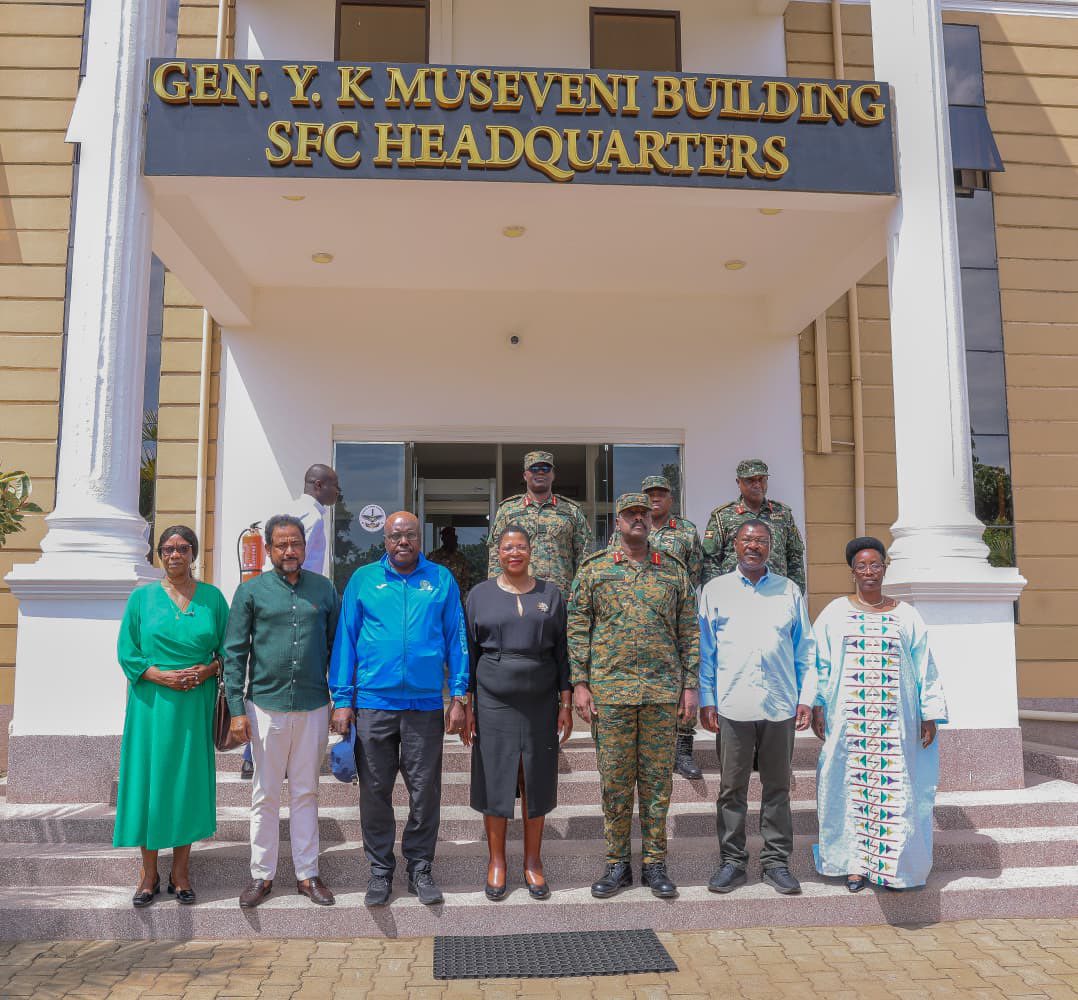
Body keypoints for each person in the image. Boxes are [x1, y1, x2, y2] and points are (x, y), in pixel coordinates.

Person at [329, 511, 469, 908]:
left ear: (420, 539)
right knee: (375, 791)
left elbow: (456, 637)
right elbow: (346, 640)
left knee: (425, 792)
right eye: (395, 536)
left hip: (424, 704)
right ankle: (380, 870)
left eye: (409, 534)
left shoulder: (441, 579)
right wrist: (343, 699)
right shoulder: (363, 579)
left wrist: (459, 695)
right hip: (374, 704)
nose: (402, 541)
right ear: (385, 541)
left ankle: (420, 867)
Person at [568, 493, 699, 900]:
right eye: (630, 515)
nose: (638, 519)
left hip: (662, 692)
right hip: (611, 693)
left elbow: (689, 630)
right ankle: (617, 864)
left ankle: (655, 863)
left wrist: (690, 685)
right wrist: (580, 682)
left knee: (658, 783)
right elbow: (578, 627)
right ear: (618, 522)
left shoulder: (672, 570)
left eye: (643, 514)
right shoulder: (594, 569)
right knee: (616, 783)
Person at [811, 537, 948, 892]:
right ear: (852, 572)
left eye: (875, 565)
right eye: (861, 566)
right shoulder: (835, 613)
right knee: (847, 789)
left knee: (895, 790)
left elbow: (924, 665)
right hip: (849, 723)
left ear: (885, 569)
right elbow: (819, 662)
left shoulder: (907, 615)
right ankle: (853, 865)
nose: (869, 572)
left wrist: (929, 713)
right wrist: (817, 703)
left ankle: (893, 869)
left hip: (895, 724)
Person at [223, 514, 341, 909]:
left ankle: (308, 874)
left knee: (307, 791)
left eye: (296, 544)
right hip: (265, 707)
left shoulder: (324, 590)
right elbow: (234, 654)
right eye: (281, 544)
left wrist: (341, 700)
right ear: (269, 549)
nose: (289, 551)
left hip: (313, 705)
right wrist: (237, 709)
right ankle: (262, 875)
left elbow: (336, 648)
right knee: (266, 793)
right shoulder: (251, 592)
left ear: (305, 547)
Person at [698, 519, 817, 896]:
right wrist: (707, 699)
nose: (754, 546)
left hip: (780, 705)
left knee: (777, 788)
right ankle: (732, 863)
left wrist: (806, 697)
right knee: (731, 790)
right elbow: (705, 651)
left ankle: (776, 862)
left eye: (761, 541)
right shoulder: (715, 590)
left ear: (770, 546)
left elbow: (805, 649)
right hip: (732, 705)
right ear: (735, 545)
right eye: (747, 540)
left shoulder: (789, 590)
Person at [114, 525, 229, 907]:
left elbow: (228, 651)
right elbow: (127, 650)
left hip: (194, 704)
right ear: (160, 554)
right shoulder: (141, 598)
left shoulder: (213, 598)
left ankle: (180, 873)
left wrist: (206, 671)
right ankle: (148, 874)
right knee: (150, 781)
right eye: (167, 549)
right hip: (151, 704)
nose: (174, 555)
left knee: (185, 782)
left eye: (182, 548)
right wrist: (158, 675)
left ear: (193, 553)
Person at [463, 525, 573, 901]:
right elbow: (469, 653)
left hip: (541, 701)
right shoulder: (479, 595)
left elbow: (562, 652)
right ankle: (497, 861)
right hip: (493, 700)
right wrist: (467, 705)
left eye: (521, 546)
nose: (514, 553)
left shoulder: (550, 594)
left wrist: (565, 703)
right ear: (498, 552)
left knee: (535, 777)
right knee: (495, 777)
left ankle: (532, 861)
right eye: (508, 547)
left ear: (530, 551)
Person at [241, 463, 341, 780]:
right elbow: (295, 561)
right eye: (335, 486)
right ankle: (252, 756)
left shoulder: (296, 509)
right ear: (318, 485)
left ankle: (252, 757)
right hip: (299, 600)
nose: (338, 493)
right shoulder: (310, 516)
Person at [638, 474, 705, 781]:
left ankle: (683, 750)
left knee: (684, 679)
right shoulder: (632, 527)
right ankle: (650, 749)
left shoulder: (686, 531)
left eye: (661, 493)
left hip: (676, 617)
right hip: (640, 617)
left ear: (671, 499)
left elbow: (696, 573)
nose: (655, 498)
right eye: (650, 493)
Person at [487, 450, 592, 598]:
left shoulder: (572, 511)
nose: (540, 472)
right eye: (534, 468)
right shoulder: (507, 510)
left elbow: (584, 558)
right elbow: (496, 556)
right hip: (517, 594)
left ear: (553, 475)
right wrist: (496, 595)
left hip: (559, 597)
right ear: (525, 475)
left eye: (546, 468)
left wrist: (579, 596)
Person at [701, 458, 806, 593]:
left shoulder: (783, 514)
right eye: (750, 480)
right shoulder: (722, 516)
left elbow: (795, 557)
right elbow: (710, 562)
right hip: (734, 593)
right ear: (738, 482)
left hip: (776, 593)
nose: (757, 485)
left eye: (761, 479)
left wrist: (795, 592)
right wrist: (715, 594)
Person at [429, 525, 472, 599]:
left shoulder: (460, 558)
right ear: (443, 539)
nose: (451, 540)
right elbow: (428, 577)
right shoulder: (434, 557)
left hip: (456, 598)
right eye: (448, 538)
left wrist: (460, 593)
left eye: (453, 537)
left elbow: (467, 580)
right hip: (438, 598)